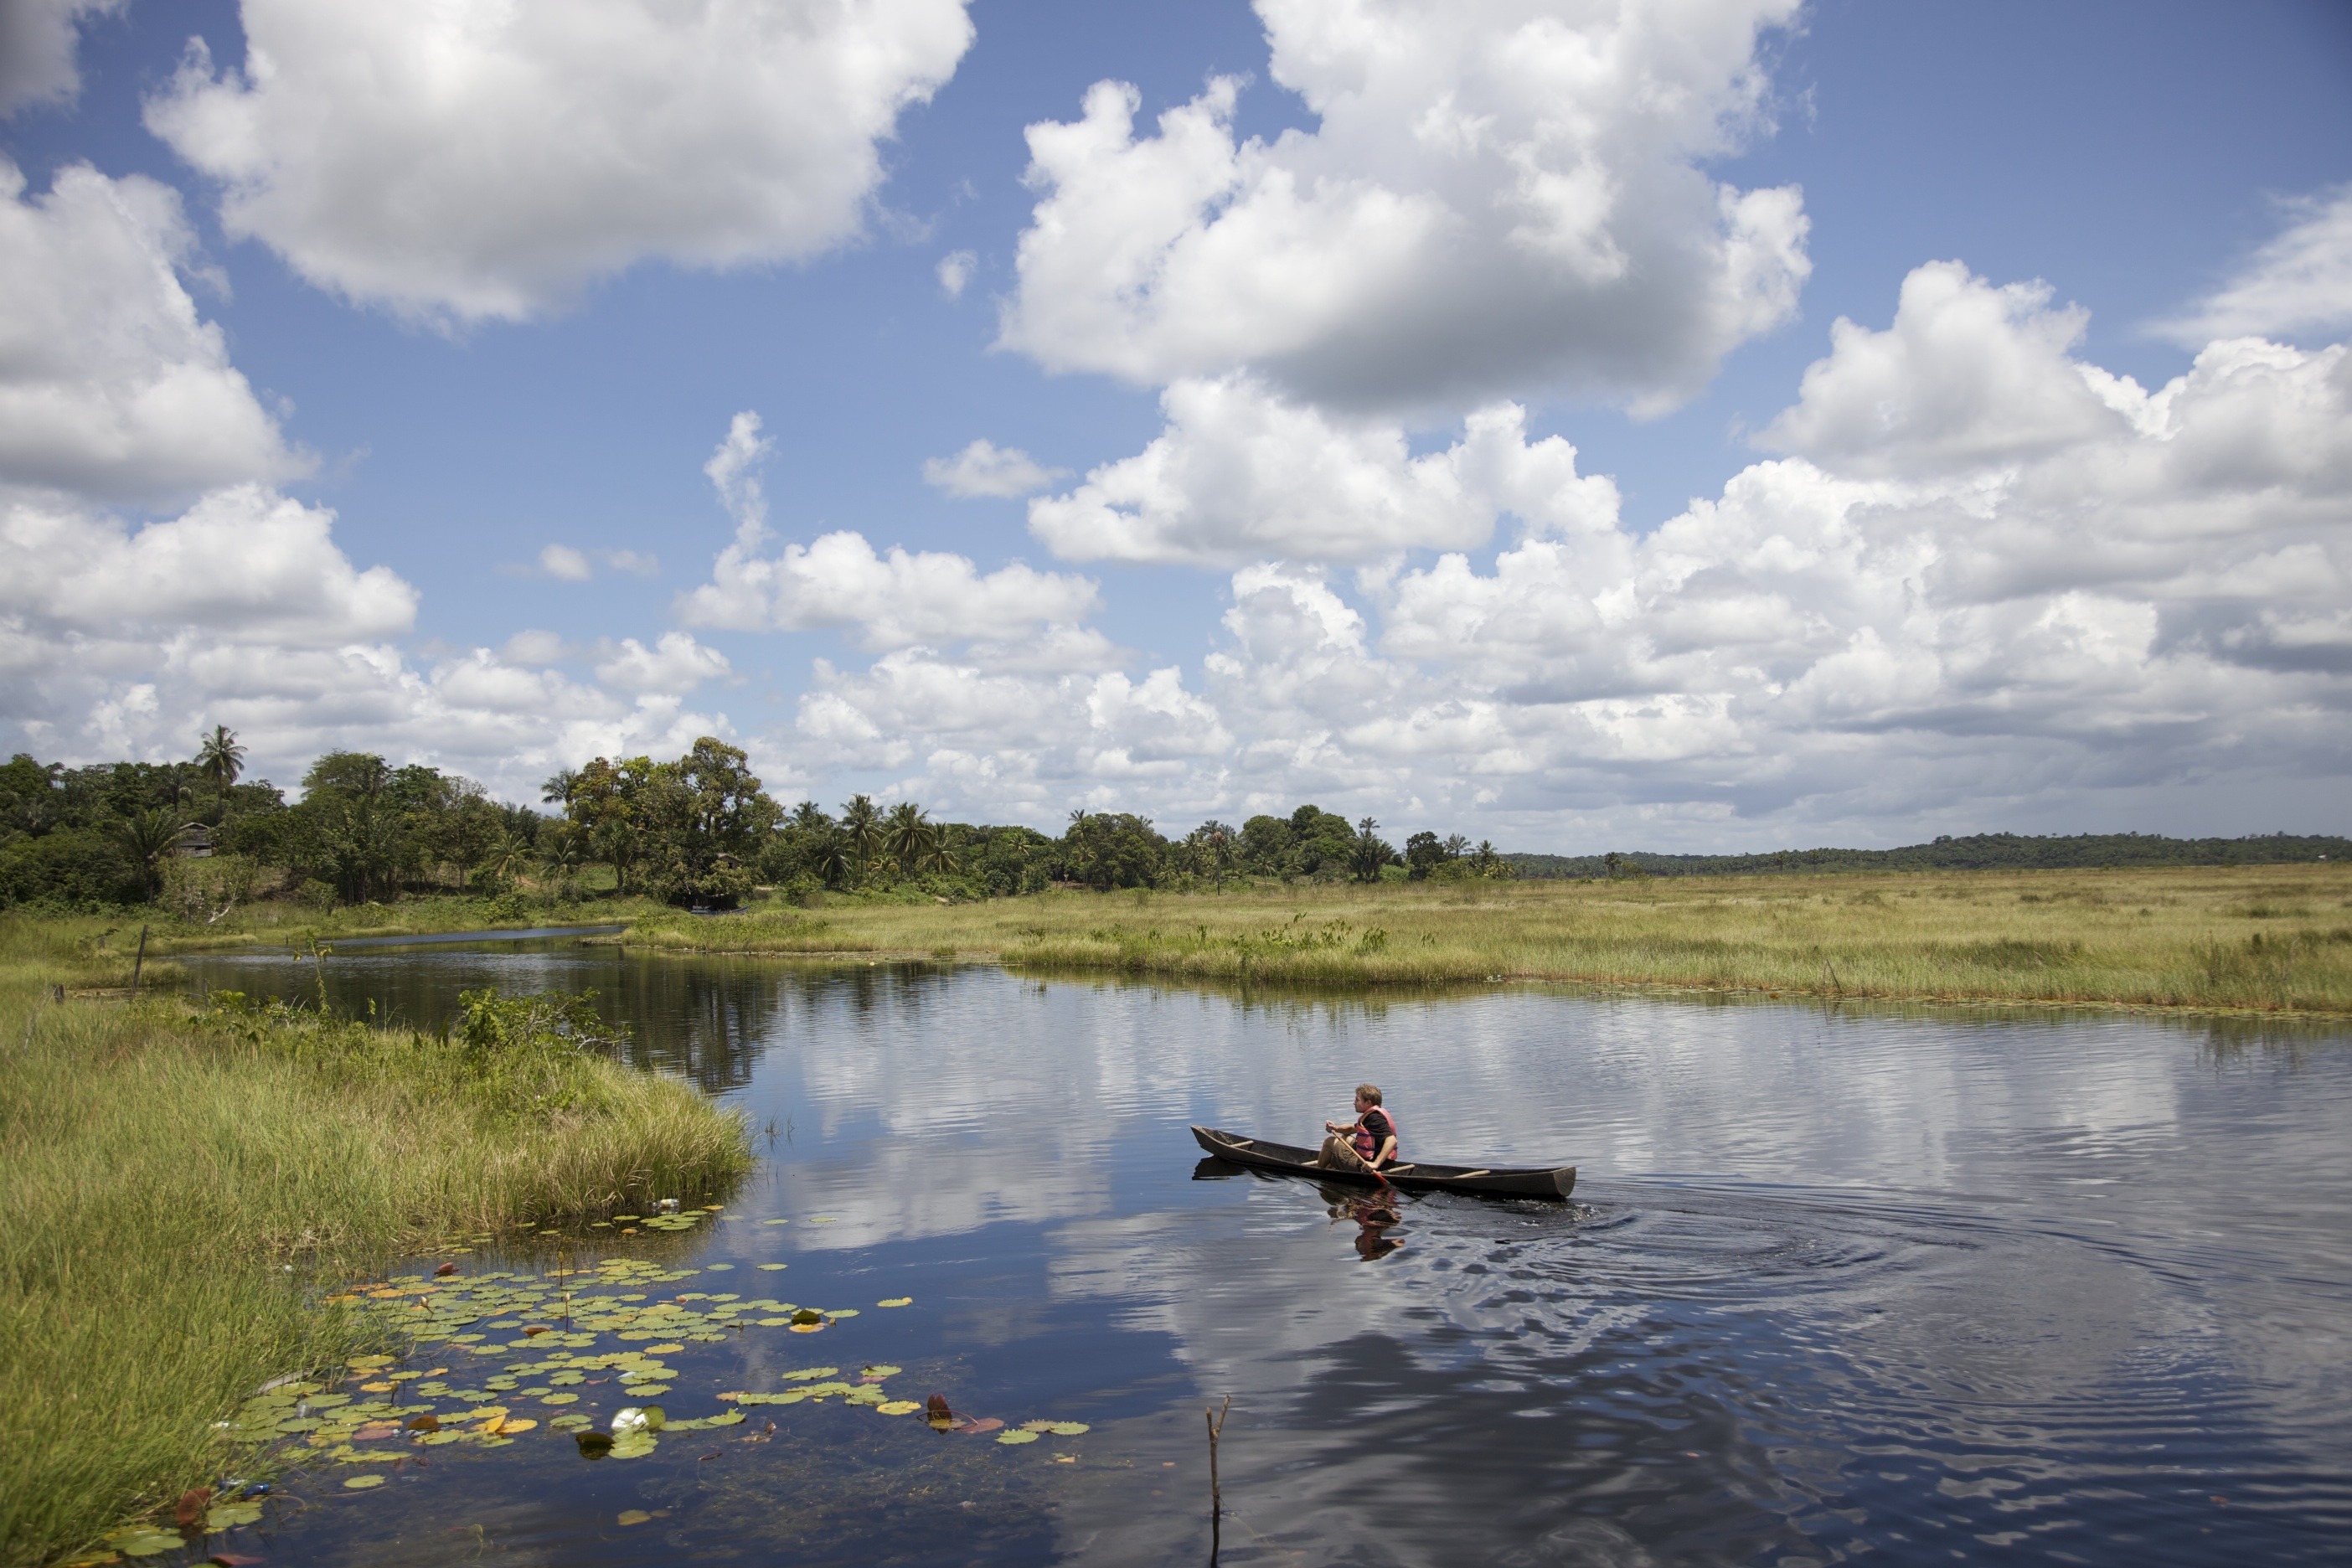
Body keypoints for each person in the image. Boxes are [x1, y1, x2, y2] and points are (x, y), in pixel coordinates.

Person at [1318, 1083, 1400, 1176]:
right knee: (1345, 1137)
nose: (1354, 1102)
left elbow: (1391, 1140)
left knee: (1329, 1142)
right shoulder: (1373, 1115)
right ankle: (1332, 1163)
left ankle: (1317, 1172)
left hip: (1368, 1167)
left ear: (1368, 1103)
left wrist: (1375, 1164)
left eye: (1357, 1100)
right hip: (1385, 1164)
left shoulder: (1375, 1119)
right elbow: (1352, 1128)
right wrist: (1336, 1128)